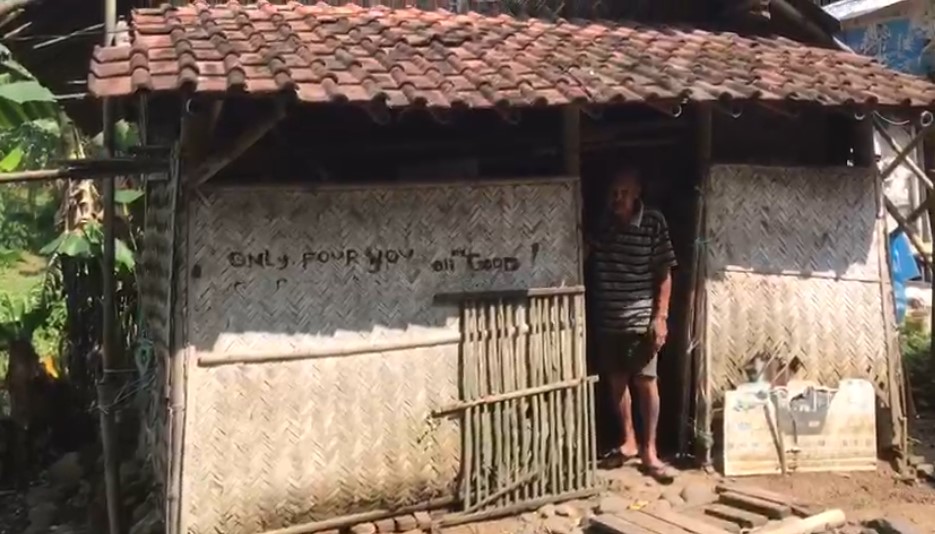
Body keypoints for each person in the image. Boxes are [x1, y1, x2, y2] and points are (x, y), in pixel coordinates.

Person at [586, 166, 677, 483]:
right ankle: (628, 440)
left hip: (641, 319)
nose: (617, 198)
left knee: (645, 381)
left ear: (638, 192)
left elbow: (664, 271)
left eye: (623, 192)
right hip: (608, 317)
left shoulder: (653, 221)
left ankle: (650, 450)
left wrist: (660, 316)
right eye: (613, 192)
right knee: (617, 381)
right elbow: (585, 254)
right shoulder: (602, 223)